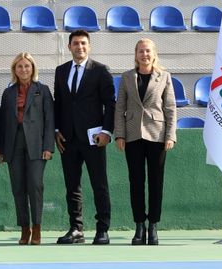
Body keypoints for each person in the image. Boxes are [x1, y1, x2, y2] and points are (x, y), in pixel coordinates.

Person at [53, 30, 116, 245]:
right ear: (69, 46)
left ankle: (102, 229)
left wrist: (106, 132)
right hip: (68, 138)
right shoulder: (60, 71)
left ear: (89, 46)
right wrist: (56, 130)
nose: (79, 47)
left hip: (94, 138)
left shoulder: (100, 70)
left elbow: (110, 104)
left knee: (99, 184)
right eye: (75, 43)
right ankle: (76, 228)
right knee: (72, 185)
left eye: (83, 43)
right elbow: (58, 103)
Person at [114, 38, 177, 246]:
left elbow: (170, 108)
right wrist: (120, 135)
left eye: (148, 51)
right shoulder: (126, 77)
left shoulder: (164, 77)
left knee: (156, 181)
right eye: (141, 51)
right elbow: (119, 107)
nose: (144, 55)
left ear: (154, 53)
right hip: (133, 135)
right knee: (136, 182)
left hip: (157, 135)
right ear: (135, 54)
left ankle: (153, 225)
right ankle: (139, 225)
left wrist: (170, 135)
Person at [0, 52, 54, 245]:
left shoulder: (43, 90)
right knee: (18, 188)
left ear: (33, 68)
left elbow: (49, 120)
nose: (24, 69)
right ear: (15, 69)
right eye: (20, 66)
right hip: (13, 144)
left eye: (27, 66)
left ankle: (37, 228)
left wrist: (49, 146)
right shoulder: (8, 93)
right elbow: (2, 123)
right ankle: (24, 229)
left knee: (35, 185)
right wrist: (1, 150)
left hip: (37, 145)